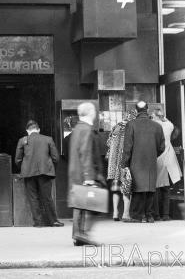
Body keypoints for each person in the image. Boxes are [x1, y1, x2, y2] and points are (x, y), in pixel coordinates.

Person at [68, 102, 104, 246]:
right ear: (90, 112)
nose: (95, 113)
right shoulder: (87, 130)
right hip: (86, 174)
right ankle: (83, 234)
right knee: (93, 206)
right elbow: (86, 153)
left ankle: (79, 235)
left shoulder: (77, 129)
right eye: (94, 110)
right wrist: (89, 177)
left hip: (76, 172)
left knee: (80, 204)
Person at [15, 120, 63, 227]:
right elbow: (56, 158)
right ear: (39, 129)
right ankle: (53, 221)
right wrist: (51, 169)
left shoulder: (22, 140)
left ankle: (38, 222)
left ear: (27, 130)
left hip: (28, 173)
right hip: (45, 172)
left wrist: (23, 169)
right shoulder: (48, 139)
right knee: (47, 197)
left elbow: (17, 159)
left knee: (33, 198)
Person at [122, 101, 165, 223]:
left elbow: (127, 147)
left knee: (137, 188)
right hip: (151, 162)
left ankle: (138, 215)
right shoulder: (157, 126)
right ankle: (149, 215)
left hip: (135, 162)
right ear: (147, 110)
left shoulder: (131, 125)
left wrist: (125, 164)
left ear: (136, 111)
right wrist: (153, 155)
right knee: (150, 188)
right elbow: (162, 147)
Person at [105, 109, 137, 222]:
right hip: (125, 163)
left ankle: (115, 213)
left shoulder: (116, 127)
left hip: (113, 164)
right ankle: (126, 214)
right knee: (126, 188)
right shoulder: (131, 127)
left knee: (116, 189)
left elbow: (108, 143)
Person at [152, 108, 181, 221]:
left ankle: (157, 215)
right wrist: (163, 117)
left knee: (156, 189)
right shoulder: (169, 126)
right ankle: (166, 215)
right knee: (166, 189)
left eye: (153, 116)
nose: (152, 118)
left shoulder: (154, 127)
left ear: (156, 117)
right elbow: (168, 122)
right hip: (169, 160)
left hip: (158, 159)